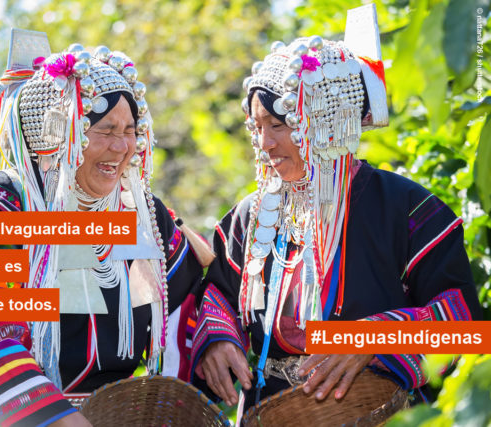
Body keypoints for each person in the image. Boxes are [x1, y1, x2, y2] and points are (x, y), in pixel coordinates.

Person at [189, 11, 483, 422]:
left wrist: (371, 338)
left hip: (380, 413)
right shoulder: (251, 216)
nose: (265, 143)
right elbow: (217, 293)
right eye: (256, 127)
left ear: (326, 121)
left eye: (278, 125)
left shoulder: (409, 211)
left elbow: (464, 327)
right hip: (271, 413)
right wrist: (219, 340)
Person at [0, 32, 204, 427]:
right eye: (105, 130)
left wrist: (215, 347)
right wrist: (57, 417)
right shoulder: (4, 204)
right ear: (59, 134)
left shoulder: (142, 215)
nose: (121, 147)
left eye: (129, 131)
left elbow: (184, 304)